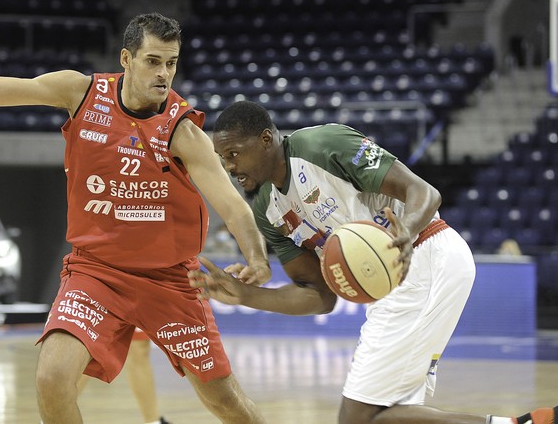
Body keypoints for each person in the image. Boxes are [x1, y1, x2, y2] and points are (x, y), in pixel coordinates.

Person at [0, 0, 271, 424]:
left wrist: (257, 256)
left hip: (170, 281)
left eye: (171, 64)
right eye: (153, 61)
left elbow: (233, 205)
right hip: (96, 272)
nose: (163, 74)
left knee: (227, 404)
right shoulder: (79, 93)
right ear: (126, 59)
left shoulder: (183, 131)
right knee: (51, 379)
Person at [189, 100, 557, 424]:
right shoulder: (267, 210)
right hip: (397, 280)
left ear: (266, 140)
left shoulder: (322, 144)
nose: (229, 166)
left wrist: (405, 231)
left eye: (234, 153)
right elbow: (319, 296)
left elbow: (423, 192)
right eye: (222, 159)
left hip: (423, 253)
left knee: (358, 416)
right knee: (384, 416)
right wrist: (243, 295)